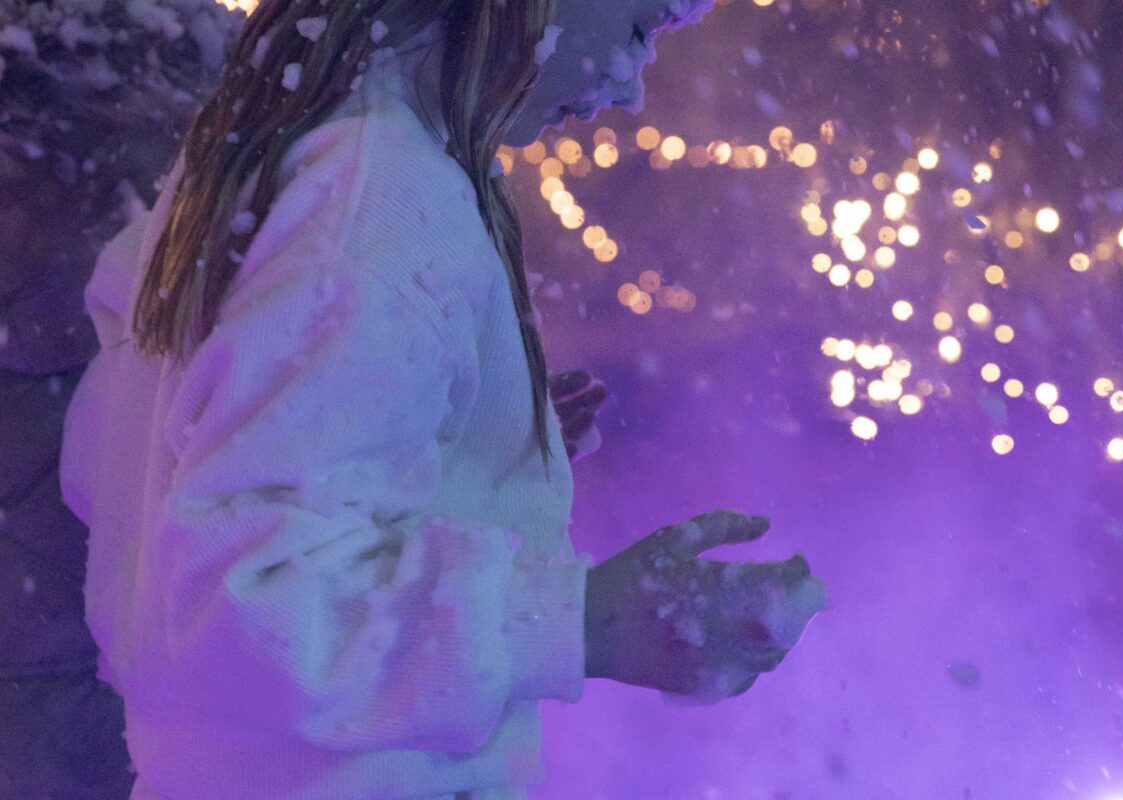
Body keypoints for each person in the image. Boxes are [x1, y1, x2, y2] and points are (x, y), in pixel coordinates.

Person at [57, 1, 826, 798]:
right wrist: (584, 620)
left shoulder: (283, 149)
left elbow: (126, 459)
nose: (632, 86)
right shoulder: (377, 205)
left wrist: (451, 448)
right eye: (640, 27)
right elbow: (243, 596)